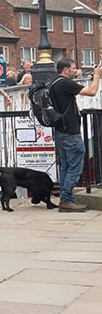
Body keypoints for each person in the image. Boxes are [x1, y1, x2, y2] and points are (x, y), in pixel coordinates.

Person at [50, 58, 102, 212]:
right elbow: (91, 92)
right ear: (66, 70)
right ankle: (66, 199)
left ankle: (67, 199)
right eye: (73, 68)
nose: (75, 70)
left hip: (61, 131)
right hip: (70, 133)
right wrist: (97, 75)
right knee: (75, 167)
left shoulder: (54, 83)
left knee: (66, 166)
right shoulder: (64, 83)